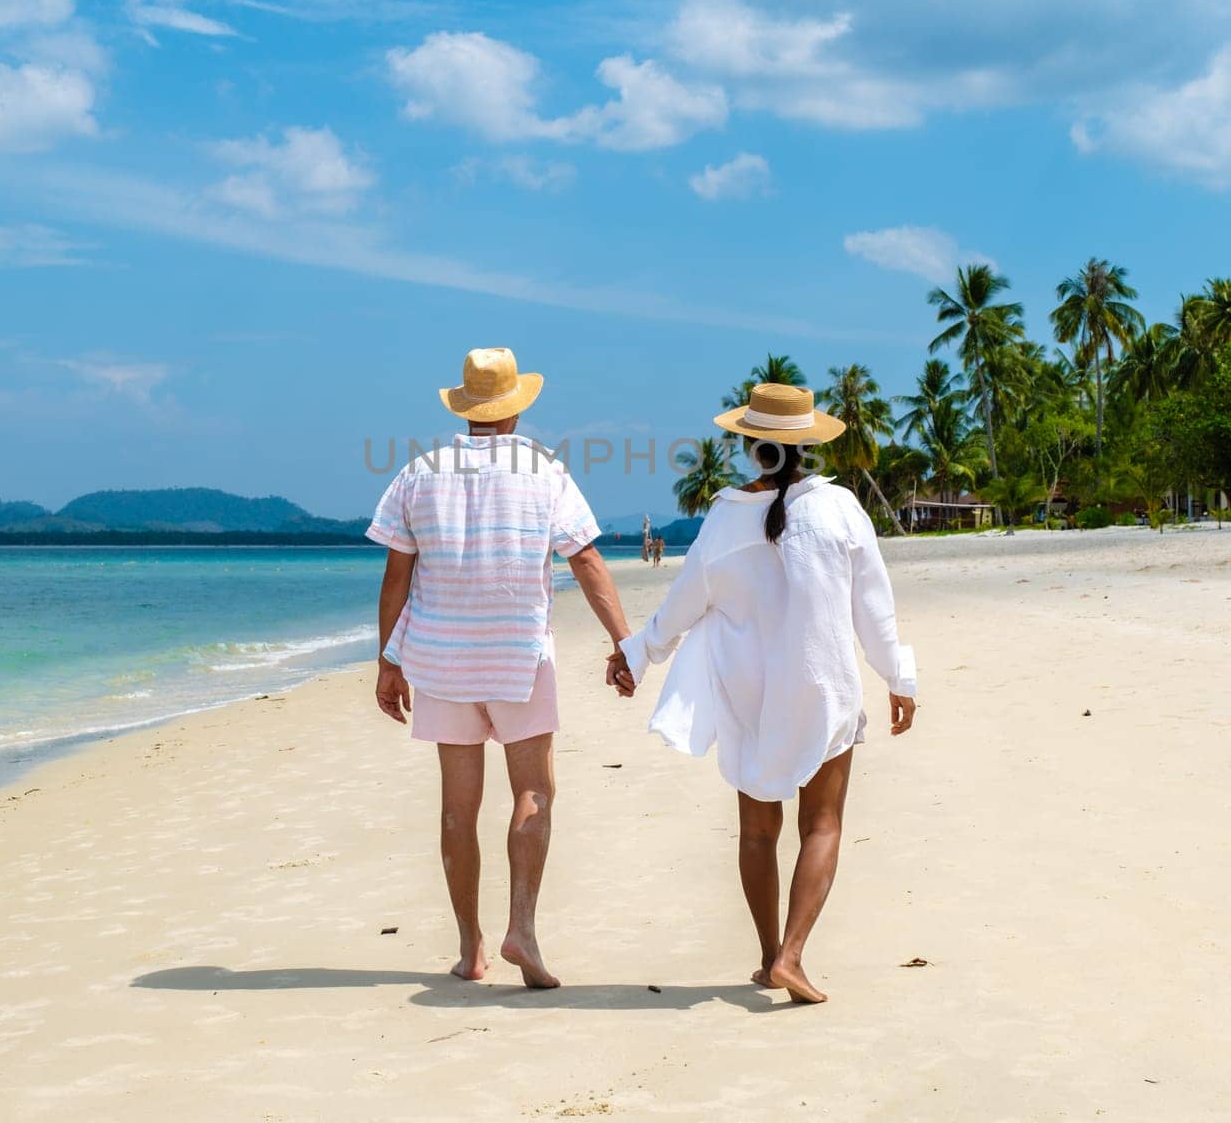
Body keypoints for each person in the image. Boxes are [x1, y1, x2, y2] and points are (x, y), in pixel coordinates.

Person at [614, 382, 917, 1004]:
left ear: (751, 446)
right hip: (823, 684)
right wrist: (899, 679)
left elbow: (681, 606)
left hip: (749, 690)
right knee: (823, 824)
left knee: (757, 831)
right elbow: (874, 609)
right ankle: (792, 955)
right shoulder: (840, 509)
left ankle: (766, 956)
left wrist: (636, 655)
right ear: (806, 442)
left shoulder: (725, 518)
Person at [370, 347, 634, 990]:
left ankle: (471, 949)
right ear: (516, 410)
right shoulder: (545, 470)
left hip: (439, 660)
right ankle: (523, 929)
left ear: (465, 408)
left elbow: (396, 575)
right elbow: (587, 560)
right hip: (519, 656)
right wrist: (625, 641)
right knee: (534, 792)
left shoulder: (420, 471)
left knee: (458, 809)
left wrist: (387, 661)